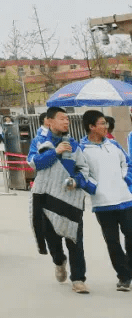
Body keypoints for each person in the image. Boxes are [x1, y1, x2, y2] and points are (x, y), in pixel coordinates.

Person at [27, 106, 91, 294]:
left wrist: (75, 181)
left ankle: (78, 279)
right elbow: (33, 163)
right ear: (49, 121)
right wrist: (54, 151)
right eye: (62, 118)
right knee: (52, 238)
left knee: (75, 239)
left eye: (67, 119)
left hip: (70, 199)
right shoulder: (39, 141)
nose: (66, 122)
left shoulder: (73, 144)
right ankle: (58, 261)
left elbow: (84, 169)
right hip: (46, 198)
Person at [78, 109, 132, 292]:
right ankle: (123, 277)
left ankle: (129, 269)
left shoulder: (114, 145)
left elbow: (127, 163)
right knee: (113, 242)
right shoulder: (82, 149)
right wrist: (94, 188)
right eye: (101, 123)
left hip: (125, 200)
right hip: (103, 204)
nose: (105, 126)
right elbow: (81, 175)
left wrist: (126, 180)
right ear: (91, 127)